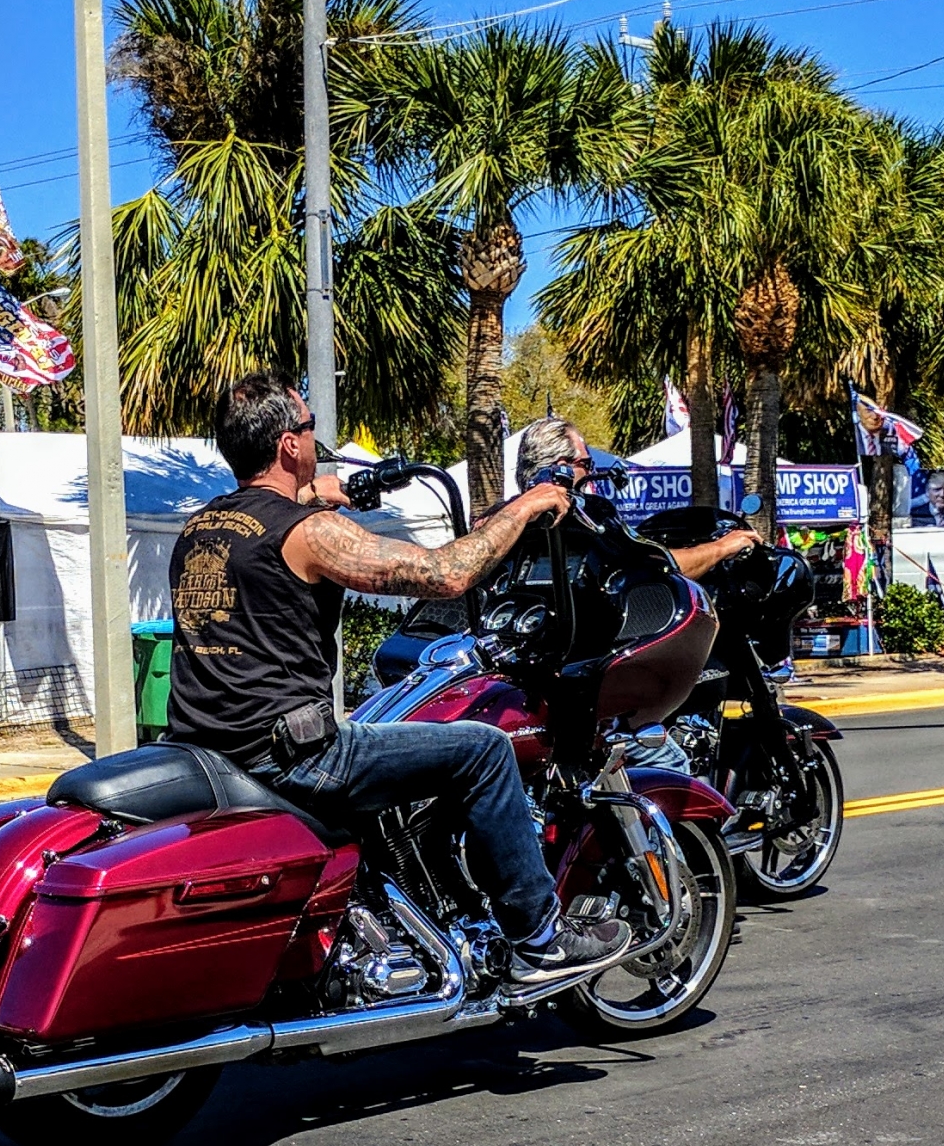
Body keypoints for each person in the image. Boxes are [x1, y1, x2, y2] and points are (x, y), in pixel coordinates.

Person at [165, 374, 629, 985]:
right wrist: (528, 503)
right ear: (288, 446)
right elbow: (447, 573)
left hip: (210, 746)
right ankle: (538, 937)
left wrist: (313, 497)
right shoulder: (309, 532)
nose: (316, 440)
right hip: (294, 756)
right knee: (484, 749)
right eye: (310, 430)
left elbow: (267, 551)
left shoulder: (201, 528)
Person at [514, 415, 764, 580]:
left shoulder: (507, 520)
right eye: (586, 463)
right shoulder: (585, 515)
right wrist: (722, 547)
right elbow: (659, 566)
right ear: (563, 467)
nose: (590, 472)